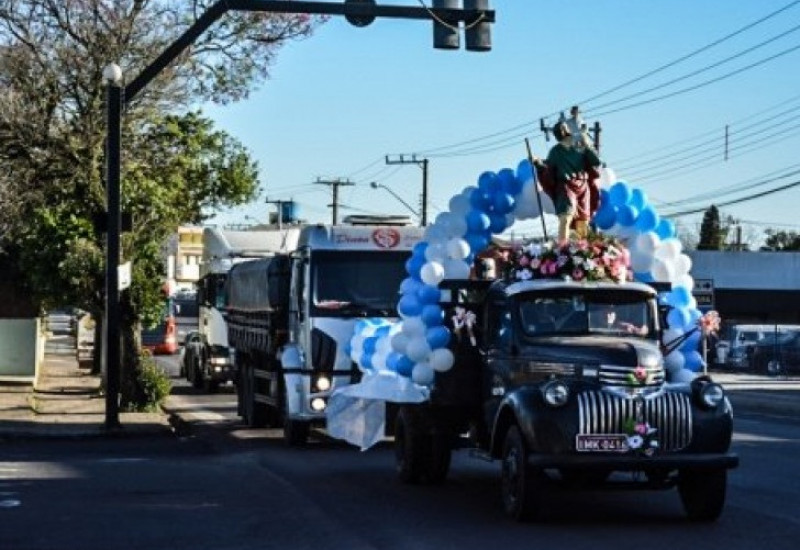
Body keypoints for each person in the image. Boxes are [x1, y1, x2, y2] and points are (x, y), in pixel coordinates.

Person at [533, 120, 602, 242]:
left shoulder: (580, 146)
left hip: (582, 186)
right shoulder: (555, 151)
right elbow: (548, 170)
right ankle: (562, 249)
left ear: (567, 130)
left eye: (561, 130)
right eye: (556, 132)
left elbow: (596, 161)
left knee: (583, 222)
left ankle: (583, 252)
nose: (558, 133)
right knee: (565, 217)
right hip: (565, 186)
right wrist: (538, 163)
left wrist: (586, 142)